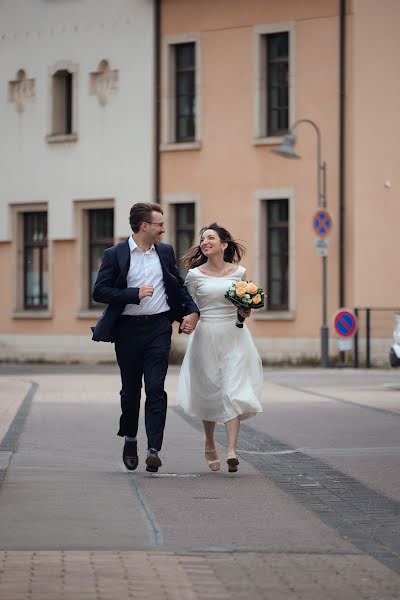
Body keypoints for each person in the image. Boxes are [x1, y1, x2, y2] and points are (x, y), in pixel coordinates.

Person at [92, 202, 199, 473]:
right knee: (130, 392)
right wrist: (133, 293)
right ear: (144, 226)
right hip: (127, 330)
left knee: (155, 387)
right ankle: (130, 439)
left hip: (158, 329)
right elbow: (100, 291)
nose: (164, 229)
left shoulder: (164, 252)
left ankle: (154, 449)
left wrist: (192, 311)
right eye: (159, 224)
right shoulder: (115, 254)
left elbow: (176, 284)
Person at [177, 223, 263, 473]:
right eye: (202, 239)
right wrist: (188, 319)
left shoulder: (240, 273)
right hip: (205, 337)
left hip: (234, 337)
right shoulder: (194, 275)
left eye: (210, 238)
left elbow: (242, 306)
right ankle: (209, 441)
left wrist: (245, 311)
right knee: (209, 390)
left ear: (223, 244)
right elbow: (188, 306)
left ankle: (232, 450)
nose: (205, 242)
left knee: (233, 390)